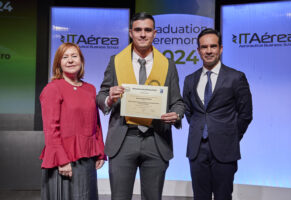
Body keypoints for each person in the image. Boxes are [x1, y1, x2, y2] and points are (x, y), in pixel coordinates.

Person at [96, 12, 185, 200]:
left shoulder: (168, 64)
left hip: (156, 139)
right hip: (123, 138)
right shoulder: (116, 61)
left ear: (155, 33)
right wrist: (109, 99)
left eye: (147, 30)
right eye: (138, 30)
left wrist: (176, 115)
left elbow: (177, 102)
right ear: (130, 33)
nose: (142, 34)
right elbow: (101, 95)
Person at [183, 28, 253, 200]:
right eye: (204, 47)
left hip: (225, 149)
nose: (208, 51)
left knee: (223, 196)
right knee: (200, 196)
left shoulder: (236, 77)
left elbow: (246, 114)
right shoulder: (190, 79)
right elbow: (188, 111)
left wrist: (231, 136)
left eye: (213, 46)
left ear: (220, 49)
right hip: (197, 149)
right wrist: (201, 129)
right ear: (198, 50)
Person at [39, 43, 106, 200]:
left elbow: (96, 124)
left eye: (74, 56)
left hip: (87, 160)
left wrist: (100, 153)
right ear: (58, 63)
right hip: (63, 161)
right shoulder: (53, 88)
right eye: (65, 57)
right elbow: (51, 129)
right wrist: (62, 160)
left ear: (81, 61)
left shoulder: (90, 89)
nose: (70, 60)